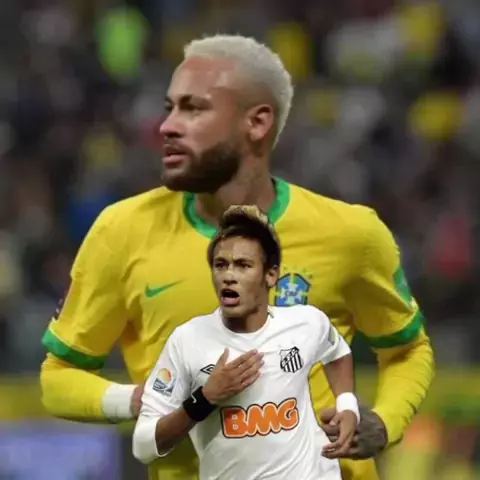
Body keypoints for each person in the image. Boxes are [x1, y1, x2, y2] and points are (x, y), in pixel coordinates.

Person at [40, 34, 435, 480]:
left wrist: (385, 422)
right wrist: (139, 400)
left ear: (257, 123)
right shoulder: (121, 232)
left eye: (193, 109)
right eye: (170, 108)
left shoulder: (350, 233)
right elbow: (58, 377)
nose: (167, 126)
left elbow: (407, 349)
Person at [133, 205, 360, 480]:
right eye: (221, 265)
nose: (229, 275)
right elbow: (143, 446)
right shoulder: (187, 341)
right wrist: (204, 399)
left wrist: (347, 405)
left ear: (271, 275)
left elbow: (337, 352)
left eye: (243, 265)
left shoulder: (307, 323)